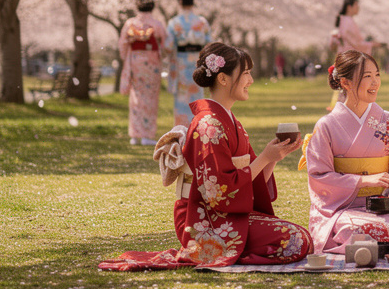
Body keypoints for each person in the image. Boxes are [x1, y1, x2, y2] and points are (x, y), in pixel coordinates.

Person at [98, 43, 309, 270]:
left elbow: (252, 181)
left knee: (301, 237)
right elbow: (218, 192)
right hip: (202, 217)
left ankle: (238, 251)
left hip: (223, 214)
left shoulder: (230, 121)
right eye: (246, 73)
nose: (251, 80)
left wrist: (274, 157)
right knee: (296, 240)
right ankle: (225, 252)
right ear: (223, 79)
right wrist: (265, 157)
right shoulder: (208, 124)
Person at [305, 49, 389, 253]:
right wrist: (362, 181)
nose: (375, 82)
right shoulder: (326, 125)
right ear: (345, 82)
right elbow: (319, 176)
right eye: (367, 76)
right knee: (353, 230)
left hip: (382, 209)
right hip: (341, 210)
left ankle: (364, 251)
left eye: (377, 75)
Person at [119, 0, 170, 146]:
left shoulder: (130, 23)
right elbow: (165, 44)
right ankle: (146, 135)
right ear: (152, 6)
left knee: (136, 97)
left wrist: (128, 51)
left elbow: (122, 44)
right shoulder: (156, 24)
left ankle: (135, 135)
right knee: (150, 97)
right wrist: (161, 53)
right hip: (152, 62)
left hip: (135, 61)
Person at [166, 0, 212, 127]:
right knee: (197, 97)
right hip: (197, 63)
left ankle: (182, 129)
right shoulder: (201, 22)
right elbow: (209, 43)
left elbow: (168, 46)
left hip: (180, 63)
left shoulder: (174, 22)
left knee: (182, 98)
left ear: (180, 2)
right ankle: (197, 128)